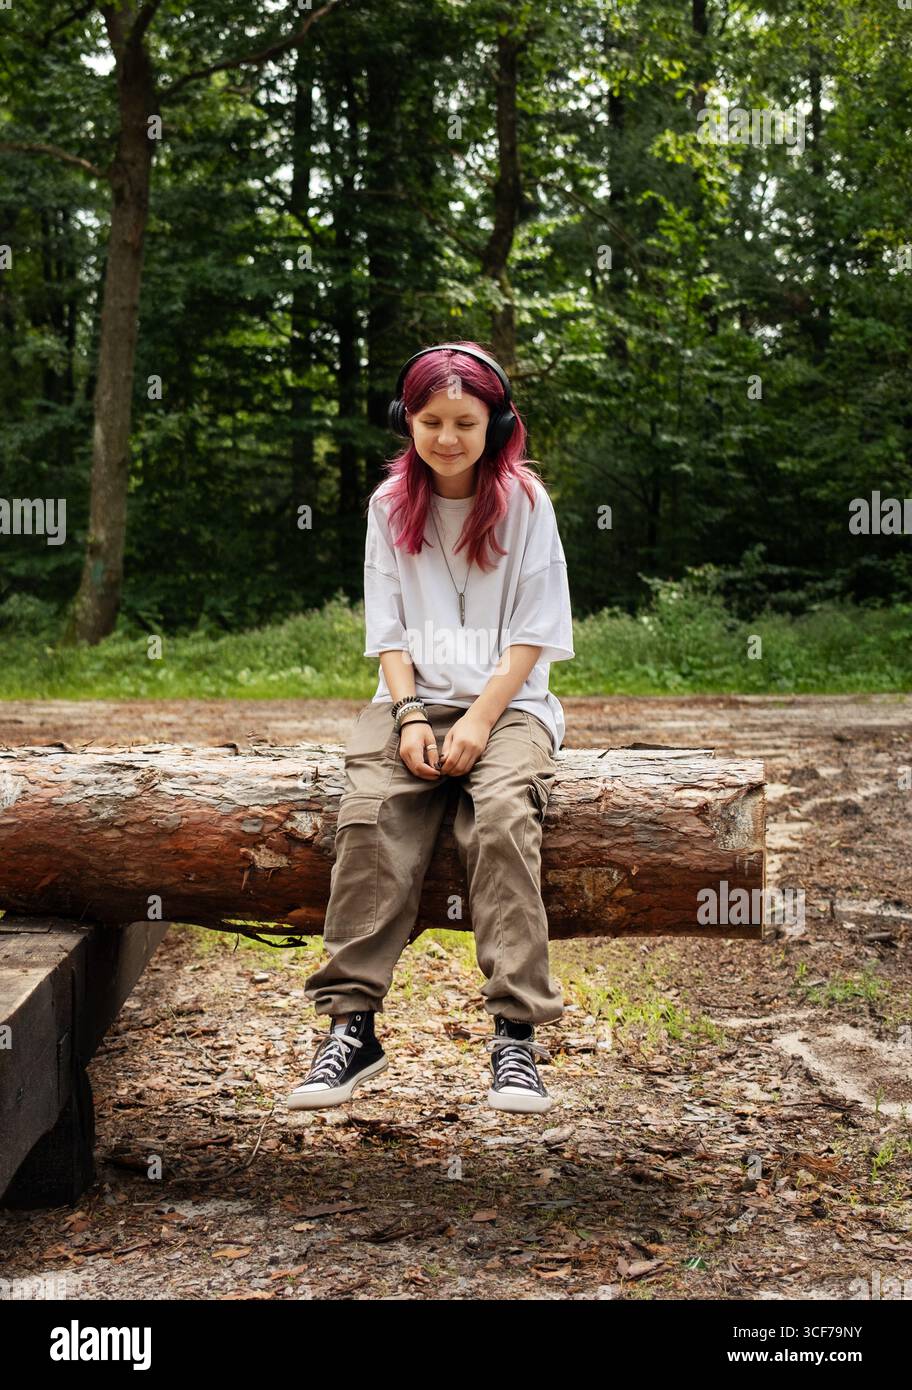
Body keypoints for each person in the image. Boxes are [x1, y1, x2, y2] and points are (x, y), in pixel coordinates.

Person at [288, 341, 574, 1115]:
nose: (447, 437)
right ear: (405, 419)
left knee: (504, 816)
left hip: (511, 706)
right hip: (408, 700)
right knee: (372, 813)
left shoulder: (525, 504)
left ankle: (516, 1035)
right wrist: (410, 715)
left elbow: (535, 634)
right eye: (431, 420)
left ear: (498, 422)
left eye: (465, 422)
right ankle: (353, 1027)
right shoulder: (389, 507)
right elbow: (388, 632)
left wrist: (481, 718)